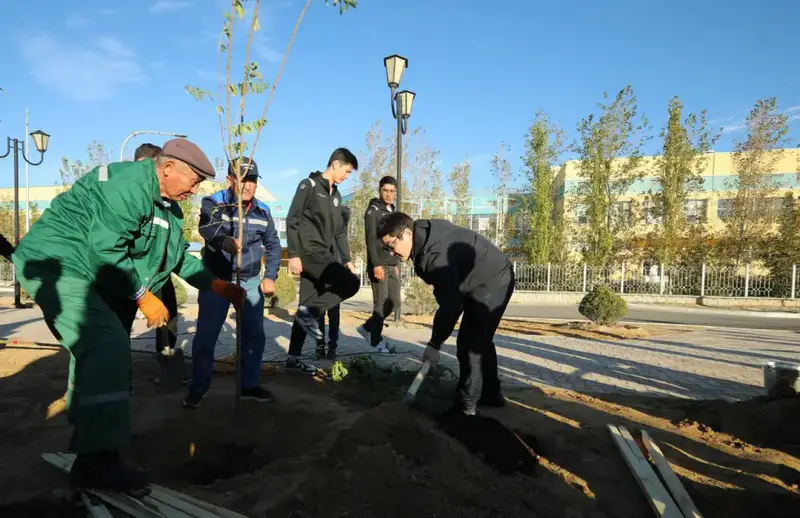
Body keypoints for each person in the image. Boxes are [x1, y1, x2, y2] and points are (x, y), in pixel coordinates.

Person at [11, 138, 245, 494]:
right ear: (168, 168)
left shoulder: (169, 208)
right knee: (105, 345)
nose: (195, 189)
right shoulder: (128, 186)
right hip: (60, 263)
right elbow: (105, 248)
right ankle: (97, 463)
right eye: (194, 180)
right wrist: (142, 296)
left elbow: (177, 258)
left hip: (100, 275)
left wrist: (216, 284)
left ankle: (89, 442)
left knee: (103, 354)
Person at [377, 212, 514, 416]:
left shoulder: (434, 256)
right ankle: (491, 394)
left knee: (471, 344)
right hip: (474, 281)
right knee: (479, 339)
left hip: (493, 280)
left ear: (406, 234)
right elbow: (452, 301)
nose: (391, 253)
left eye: (392, 245)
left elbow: (450, 306)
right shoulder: (425, 238)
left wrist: (434, 344)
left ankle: (467, 408)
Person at [184, 157, 281, 408]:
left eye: (253, 180)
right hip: (218, 281)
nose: (248, 186)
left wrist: (270, 275)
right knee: (206, 337)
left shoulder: (263, 211)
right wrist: (223, 241)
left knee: (254, 336)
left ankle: (249, 385)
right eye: (243, 179)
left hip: (249, 281)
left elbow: (272, 244)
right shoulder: (214, 203)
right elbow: (209, 228)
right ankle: (199, 387)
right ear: (230, 180)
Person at [285, 148, 360, 372]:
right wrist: (294, 255)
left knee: (304, 306)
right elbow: (292, 219)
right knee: (350, 283)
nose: (347, 176)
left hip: (324, 253)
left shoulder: (336, 196)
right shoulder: (308, 185)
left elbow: (339, 232)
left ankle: (292, 358)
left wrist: (347, 260)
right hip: (309, 253)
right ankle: (311, 315)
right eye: (346, 171)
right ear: (335, 164)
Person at [133, 143, 186, 386]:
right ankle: (117, 378)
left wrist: (209, 282)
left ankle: (166, 363)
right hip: (129, 276)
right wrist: (141, 295)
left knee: (169, 319)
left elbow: (177, 249)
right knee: (116, 327)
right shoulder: (130, 196)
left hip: (160, 276)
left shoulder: (171, 205)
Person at [357, 176, 399, 353]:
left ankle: (367, 328)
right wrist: (376, 264)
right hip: (379, 265)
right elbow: (371, 240)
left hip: (391, 264)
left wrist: (395, 261)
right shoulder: (373, 211)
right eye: (386, 191)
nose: (389, 195)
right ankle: (376, 343)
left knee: (394, 302)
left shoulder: (392, 210)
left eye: (392, 191)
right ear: (380, 190)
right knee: (380, 305)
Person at [313, 205, 351, 360]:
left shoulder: (339, 231)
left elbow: (346, 211)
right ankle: (320, 345)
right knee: (319, 313)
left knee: (334, 314)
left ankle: (332, 347)